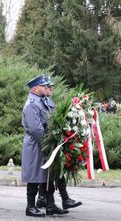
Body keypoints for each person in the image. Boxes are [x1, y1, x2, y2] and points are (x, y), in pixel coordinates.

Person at [21, 75, 68, 217]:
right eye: (43, 86)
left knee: (47, 175)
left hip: (45, 143)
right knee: (35, 176)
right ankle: (30, 206)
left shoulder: (42, 101)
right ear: (35, 88)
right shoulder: (31, 104)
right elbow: (36, 129)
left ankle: (50, 204)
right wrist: (49, 143)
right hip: (37, 145)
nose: (46, 88)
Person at [37, 76, 82, 210]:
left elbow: (56, 118)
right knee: (50, 171)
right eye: (47, 87)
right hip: (46, 142)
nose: (50, 89)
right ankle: (46, 199)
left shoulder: (48, 101)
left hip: (53, 141)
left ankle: (59, 198)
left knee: (55, 170)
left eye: (50, 87)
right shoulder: (38, 102)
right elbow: (42, 124)